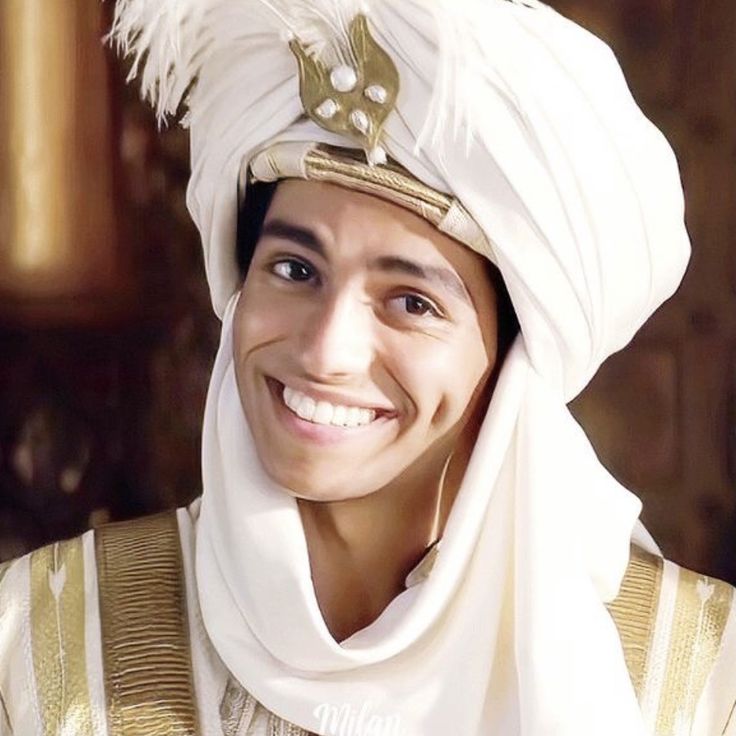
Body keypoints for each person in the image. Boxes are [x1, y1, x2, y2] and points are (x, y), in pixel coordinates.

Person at [1, 1, 735, 734]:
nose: (326, 351)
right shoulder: (36, 643)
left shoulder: (698, 680)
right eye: (293, 269)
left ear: (513, 357)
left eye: (411, 302)